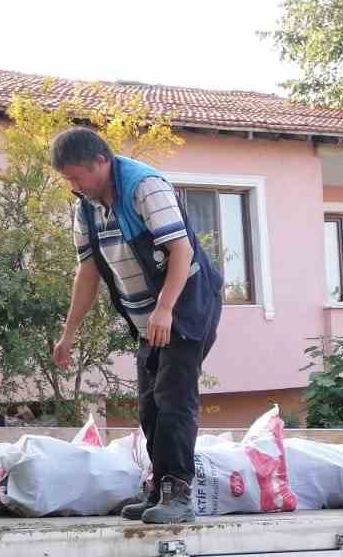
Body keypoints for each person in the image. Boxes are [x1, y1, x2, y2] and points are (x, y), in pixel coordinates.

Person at [50, 127, 222, 524]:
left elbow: (180, 250)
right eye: (68, 180)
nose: (75, 186)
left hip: (186, 304)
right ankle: (159, 488)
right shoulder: (86, 209)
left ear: (101, 161)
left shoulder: (145, 187)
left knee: (173, 396)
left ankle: (178, 494)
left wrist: (165, 309)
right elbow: (88, 272)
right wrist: (68, 333)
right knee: (149, 405)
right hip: (148, 317)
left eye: (78, 176)